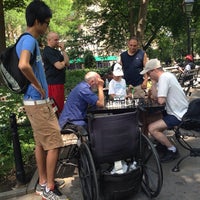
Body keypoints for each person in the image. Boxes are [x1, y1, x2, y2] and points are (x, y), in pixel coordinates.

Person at [16, 1, 67, 199]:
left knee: (40, 143)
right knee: (55, 143)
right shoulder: (29, 40)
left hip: (33, 103)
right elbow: (23, 65)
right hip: (37, 102)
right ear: (37, 21)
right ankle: (49, 188)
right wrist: (38, 85)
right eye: (46, 23)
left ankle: (43, 182)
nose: (47, 27)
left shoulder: (24, 40)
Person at [140, 58, 188, 163]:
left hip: (178, 114)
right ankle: (162, 144)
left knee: (151, 128)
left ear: (155, 70)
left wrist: (153, 85)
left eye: (148, 73)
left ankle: (172, 150)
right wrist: (153, 83)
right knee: (150, 120)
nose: (148, 76)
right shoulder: (166, 76)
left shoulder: (164, 78)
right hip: (176, 111)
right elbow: (154, 97)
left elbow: (160, 101)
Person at [43, 32, 69, 115]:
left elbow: (67, 63)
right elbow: (59, 66)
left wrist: (63, 50)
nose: (58, 42)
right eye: (55, 40)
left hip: (60, 82)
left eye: (58, 39)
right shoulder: (48, 51)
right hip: (53, 83)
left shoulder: (57, 52)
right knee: (56, 107)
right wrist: (62, 63)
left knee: (61, 106)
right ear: (49, 40)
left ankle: (60, 125)